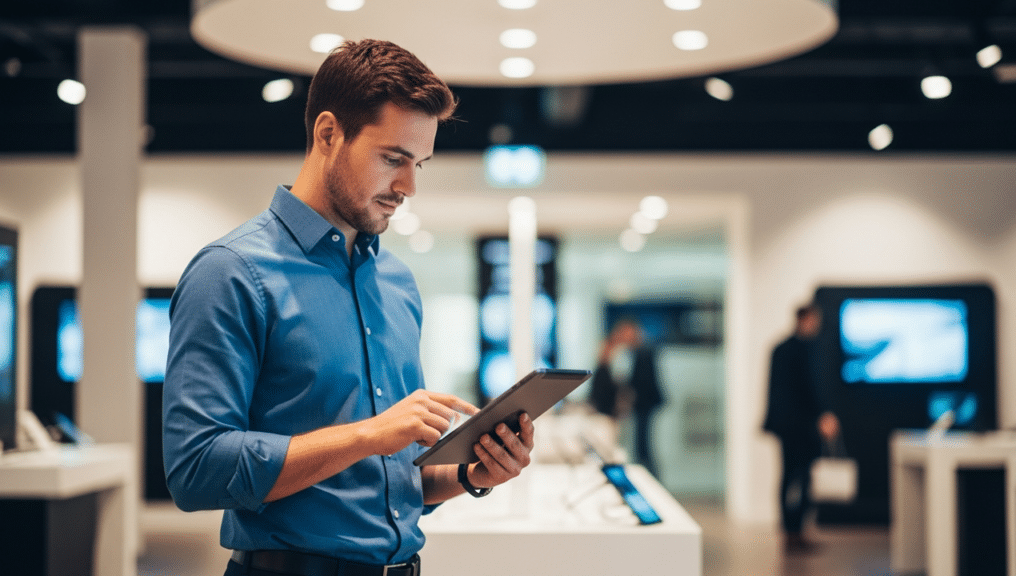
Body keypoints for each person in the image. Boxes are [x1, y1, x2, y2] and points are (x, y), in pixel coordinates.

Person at [163, 39, 535, 576]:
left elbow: (390, 483)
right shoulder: (232, 271)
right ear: (328, 134)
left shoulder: (397, 283)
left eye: (420, 164)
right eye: (393, 159)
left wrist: (473, 474)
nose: (408, 187)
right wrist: (368, 433)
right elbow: (195, 469)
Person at [763, 303, 840, 553]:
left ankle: (790, 531)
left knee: (788, 476)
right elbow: (808, 390)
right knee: (802, 477)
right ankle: (795, 531)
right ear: (806, 319)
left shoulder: (780, 349)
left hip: (786, 426)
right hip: (802, 427)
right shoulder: (805, 350)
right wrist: (822, 415)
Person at [589, 318, 664, 476]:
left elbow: (640, 383)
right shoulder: (625, 354)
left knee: (642, 446)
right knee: (637, 445)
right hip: (631, 406)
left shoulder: (642, 353)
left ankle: (650, 477)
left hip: (644, 404)